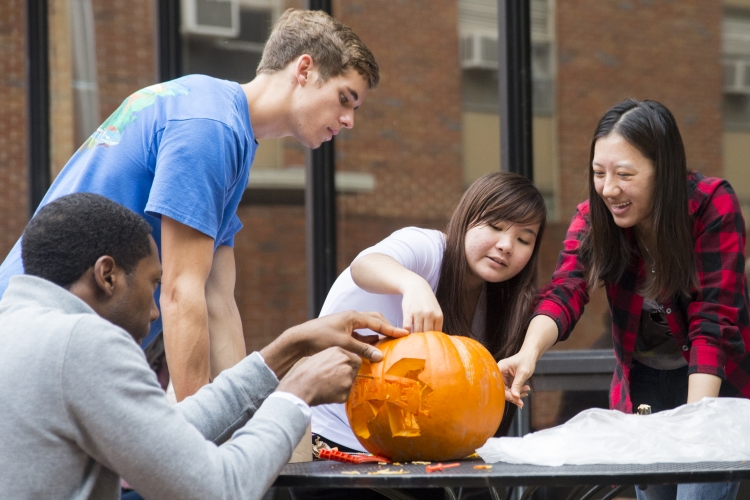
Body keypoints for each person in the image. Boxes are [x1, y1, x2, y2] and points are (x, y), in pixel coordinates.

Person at [0, 9, 379, 402]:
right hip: (30, 346)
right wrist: (204, 436)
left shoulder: (224, 126)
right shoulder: (209, 125)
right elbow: (182, 293)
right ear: (304, 70)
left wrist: (239, 425)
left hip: (53, 346)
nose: (349, 120)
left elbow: (219, 303)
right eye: (344, 99)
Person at [0, 193, 408, 500]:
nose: (156, 312)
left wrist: (289, 347)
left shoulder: (20, 326)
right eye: (153, 284)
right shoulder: (85, 343)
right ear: (108, 275)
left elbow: (168, 437)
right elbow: (217, 488)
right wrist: (296, 395)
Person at [500, 99, 750, 500]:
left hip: (712, 387)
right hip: (645, 388)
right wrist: (527, 354)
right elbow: (565, 291)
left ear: (663, 171)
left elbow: (713, 324)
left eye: (625, 174)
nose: (609, 189)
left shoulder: (710, 205)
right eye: (599, 173)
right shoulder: (593, 218)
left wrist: (696, 428)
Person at [311, 171, 545, 454]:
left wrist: (486, 386)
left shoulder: (498, 303)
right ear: (467, 218)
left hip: (415, 451)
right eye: (495, 226)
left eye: (524, 240)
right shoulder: (429, 248)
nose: (506, 245)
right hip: (332, 439)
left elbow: (437, 388)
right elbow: (364, 264)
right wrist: (412, 284)